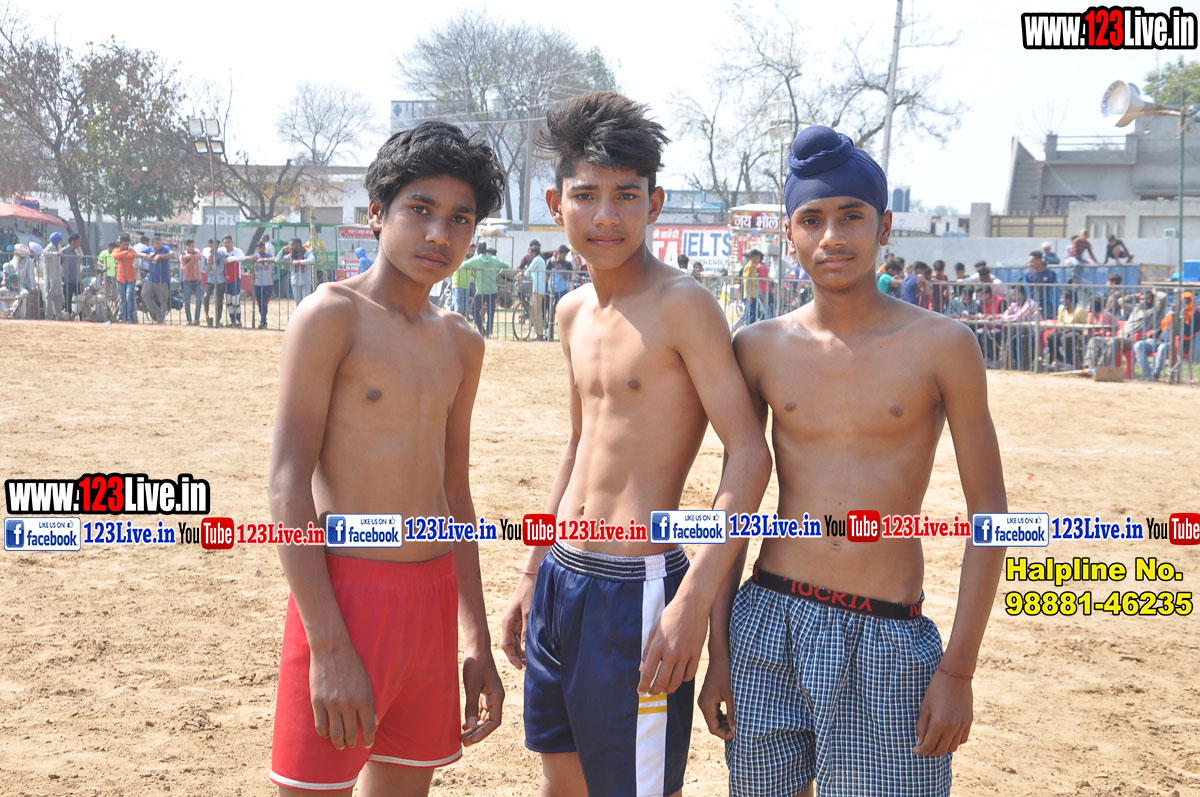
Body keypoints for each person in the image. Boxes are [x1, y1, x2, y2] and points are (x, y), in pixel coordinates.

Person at [696, 125, 1007, 797]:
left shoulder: (943, 345)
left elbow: (990, 516)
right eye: (811, 219)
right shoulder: (758, 346)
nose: (831, 237)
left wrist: (958, 669)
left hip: (886, 631)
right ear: (789, 234)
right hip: (768, 620)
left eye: (851, 216)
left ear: (884, 225)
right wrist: (719, 647)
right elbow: (735, 503)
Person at [499, 91, 770, 797]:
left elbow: (749, 452)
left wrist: (694, 602)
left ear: (655, 203)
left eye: (626, 195)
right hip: (561, 578)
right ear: (557, 204)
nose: (606, 216)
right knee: (562, 777)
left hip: (638, 587)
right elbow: (577, 444)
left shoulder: (684, 305)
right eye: (586, 195)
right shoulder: (571, 311)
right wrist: (532, 572)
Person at [267, 121, 507, 796]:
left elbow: (454, 496)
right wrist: (328, 644)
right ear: (377, 213)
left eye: (460, 218)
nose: (439, 234)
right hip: (344, 597)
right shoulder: (330, 315)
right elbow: (287, 486)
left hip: (431, 603)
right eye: (419, 209)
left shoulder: (461, 342)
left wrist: (474, 638)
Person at [142, 235, 173, 323]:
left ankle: (161, 319)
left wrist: (160, 256)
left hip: (163, 279)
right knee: (144, 294)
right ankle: (157, 313)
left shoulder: (166, 248)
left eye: (160, 243)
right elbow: (137, 253)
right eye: (156, 243)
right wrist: (146, 256)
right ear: (152, 244)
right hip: (151, 278)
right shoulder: (149, 249)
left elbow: (172, 255)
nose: (159, 245)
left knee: (163, 300)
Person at [1022, 250, 1057, 320]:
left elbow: (1056, 291)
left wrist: (1056, 306)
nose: (1030, 264)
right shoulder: (1028, 275)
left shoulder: (1051, 274)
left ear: (1039, 260)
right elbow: (1026, 291)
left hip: (1047, 306)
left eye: (1032, 261)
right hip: (1033, 307)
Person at [221, 235, 246, 328]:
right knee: (228, 301)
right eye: (225, 243)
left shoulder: (237, 251)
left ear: (232, 243)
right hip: (226, 280)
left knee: (235, 301)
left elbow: (243, 257)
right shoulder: (222, 251)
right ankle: (232, 321)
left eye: (228, 242)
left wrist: (229, 259)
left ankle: (239, 320)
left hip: (235, 280)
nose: (227, 244)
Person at [113, 234, 138, 323]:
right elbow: (115, 256)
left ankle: (130, 317)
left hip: (131, 278)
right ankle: (124, 317)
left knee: (128, 297)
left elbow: (131, 255)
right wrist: (125, 253)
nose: (126, 246)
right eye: (124, 244)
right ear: (120, 243)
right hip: (120, 278)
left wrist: (123, 254)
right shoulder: (116, 250)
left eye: (127, 244)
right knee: (122, 299)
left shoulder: (131, 249)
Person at [525, 241, 548, 340]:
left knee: (537, 313)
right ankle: (538, 333)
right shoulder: (540, 260)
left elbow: (527, 272)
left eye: (530, 252)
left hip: (537, 289)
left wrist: (523, 274)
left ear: (534, 253)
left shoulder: (537, 260)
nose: (529, 254)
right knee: (533, 313)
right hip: (538, 289)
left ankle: (540, 334)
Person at [202, 238, 227, 327]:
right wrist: (210, 263)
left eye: (216, 244)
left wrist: (213, 264)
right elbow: (205, 268)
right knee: (206, 296)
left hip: (220, 280)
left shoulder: (221, 256)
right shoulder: (206, 255)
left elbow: (220, 269)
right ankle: (207, 316)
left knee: (219, 300)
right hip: (210, 280)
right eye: (213, 244)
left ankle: (218, 319)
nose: (215, 246)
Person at [179, 239, 203, 325]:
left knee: (199, 299)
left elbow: (199, 256)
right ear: (186, 247)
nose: (192, 248)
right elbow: (183, 269)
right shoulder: (182, 255)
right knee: (187, 301)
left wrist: (189, 257)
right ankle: (189, 320)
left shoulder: (196, 251)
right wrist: (191, 261)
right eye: (189, 246)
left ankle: (196, 319)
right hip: (187, 281)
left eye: (192, 246)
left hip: (197, 280)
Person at [252, 241, 275, 328]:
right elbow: (246, 258)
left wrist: (264, 260)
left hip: (268, 284)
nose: (262, 249)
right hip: (258, 284)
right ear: (257, 249)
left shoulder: (268, 255)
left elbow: (274, 259)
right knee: (259, 304)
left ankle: (263, 321)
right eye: (260, 248)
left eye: (263, 248)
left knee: (264, 303)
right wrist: (254, 259)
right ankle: (263, 320)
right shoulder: (255, 256)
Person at [738, 249, 764, 326]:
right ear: (755, 257)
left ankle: (746, 327)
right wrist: (748, 295)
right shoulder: (748, 267)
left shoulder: (754, 267)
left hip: (754, 294)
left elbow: (756, 283)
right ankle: (746, 327)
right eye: (758, 257)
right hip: (750, 295)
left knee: (755, 313)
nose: (759, 260)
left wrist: (760, 295)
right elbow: (746, 282)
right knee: (752, 314)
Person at [42, 231, 65, 320]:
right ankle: (49, 316)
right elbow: (44, 254)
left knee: (58, 296)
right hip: (50, 277)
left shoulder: (58, 248)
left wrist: (62, 275)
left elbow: (59, 265)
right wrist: (55, 254)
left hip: (57, 277)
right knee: (49, 297)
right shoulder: (49, 247)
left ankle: (59, 316)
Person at [62, 233, 82, 319]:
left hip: (77, 280)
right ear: (73, 241)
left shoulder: (77, 251)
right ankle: (68, 317)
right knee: (68, 300)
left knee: (80, 299)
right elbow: (59, 265)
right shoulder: (64, 251)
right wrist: (62, 277)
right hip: (67, 280)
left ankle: (80, 317)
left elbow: (81, 258)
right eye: (78, 241)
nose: (79, 243)